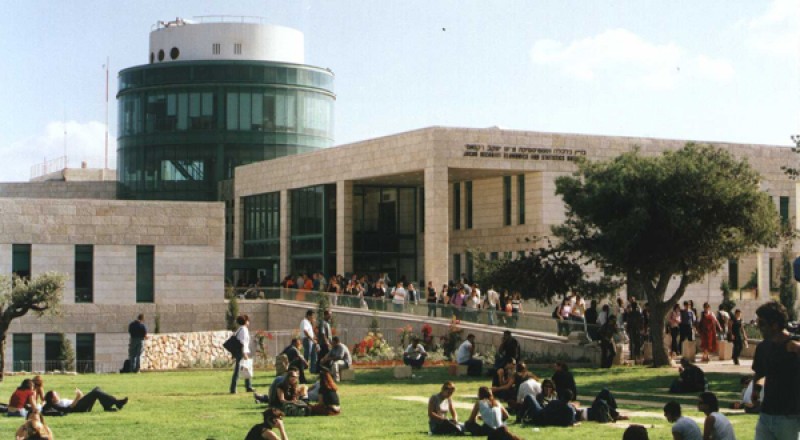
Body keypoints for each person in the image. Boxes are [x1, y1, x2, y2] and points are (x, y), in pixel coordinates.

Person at [751, 301, 800, 440]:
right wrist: (755, 390)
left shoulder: (793, 345)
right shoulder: (762, 348)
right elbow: (760, 373)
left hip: (789, 417)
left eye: (762, 324)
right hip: (766, 414)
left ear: (775, 325)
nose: (758, 327)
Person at [42, 388, 127, 414]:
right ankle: (117, 403)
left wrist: (80, 396)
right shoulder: (56, 405)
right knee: (96, 392)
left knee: (96, 389)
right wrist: (77, 397)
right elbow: (69, 409)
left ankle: (107, 406)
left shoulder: (59, 401)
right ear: (52, 398)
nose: (58, 394)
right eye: (56, 394)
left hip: (79, 405)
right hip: (78, 408)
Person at [229, 314, 254, 393]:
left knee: (246, 368)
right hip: (242, 352)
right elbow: (242, 343)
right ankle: (233, 389)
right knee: (238, 370)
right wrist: (244, 353)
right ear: (245, 321)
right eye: (248, 320)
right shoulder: (243, 330)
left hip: (240, 352)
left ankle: (248, 386)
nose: (249, 322)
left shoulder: (240, 329)